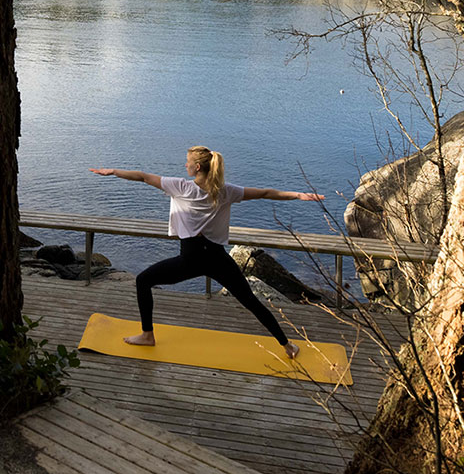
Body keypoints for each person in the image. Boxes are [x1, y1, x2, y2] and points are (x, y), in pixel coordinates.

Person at [91, 147, 325, 359]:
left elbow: (142, 176)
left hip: (190, 260)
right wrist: (297, 195)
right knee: (251, 302)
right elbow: (264, 193)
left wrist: (113, 171)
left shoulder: (181, 187)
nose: (185, 165)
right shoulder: (226, 191)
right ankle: (288, 346)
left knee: (143, 280)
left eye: (188, 162)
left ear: (198, 167)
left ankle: (147, 335)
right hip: (217, 258)